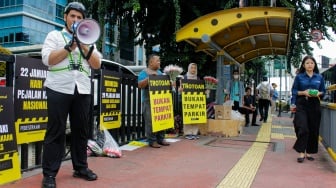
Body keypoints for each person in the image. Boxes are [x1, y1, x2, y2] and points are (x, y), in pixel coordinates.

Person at [40, 2, 102, 188]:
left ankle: (80, 167)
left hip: (82, 89)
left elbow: (97, 64)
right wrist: (69, 46)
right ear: (65, 17)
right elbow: (47, 60)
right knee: (55, 131)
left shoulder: (89, 39)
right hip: (58, 88)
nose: (75, 20)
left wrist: (83, 46)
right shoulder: (54, 35)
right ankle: (50, 174)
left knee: (81, 131)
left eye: (79, 17)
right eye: (72, 16)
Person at [291, 55, 326, 163]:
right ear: (303, 65)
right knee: (303, 127)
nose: (310, 65)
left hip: (314, 104)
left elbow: (323, 91)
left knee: (313, 129)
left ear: (314, 65)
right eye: (307, 63)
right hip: (302, 103)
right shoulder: (299, 77)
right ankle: (301, 151)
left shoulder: (319, 77)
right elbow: (294, 91)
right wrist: (303, 92)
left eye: (311, 63)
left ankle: (309, 152)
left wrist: (318, 94)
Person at [138, 54, 170, 148]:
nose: (159, 62)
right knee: (150, 121)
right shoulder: (144, 72)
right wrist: (149, 78)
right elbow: (140, 85)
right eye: (157, 61)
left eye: (159, 60)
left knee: (161, 119)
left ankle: (161, 138)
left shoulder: (160, 73)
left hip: (160, 101)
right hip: (148, 101)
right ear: (151, 62)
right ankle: (152, 140)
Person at [179, 63, 201, 140]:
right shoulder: (184, 78)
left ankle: (194, 133)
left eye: (195, 68)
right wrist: (180, 90)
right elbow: (180, 90)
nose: (193, 69)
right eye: (192, 68)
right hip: (187, 100)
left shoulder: (198, 79)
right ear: (189, 68)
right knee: (187, 116)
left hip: (195, 100)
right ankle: (188, 133)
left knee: (195, 116)